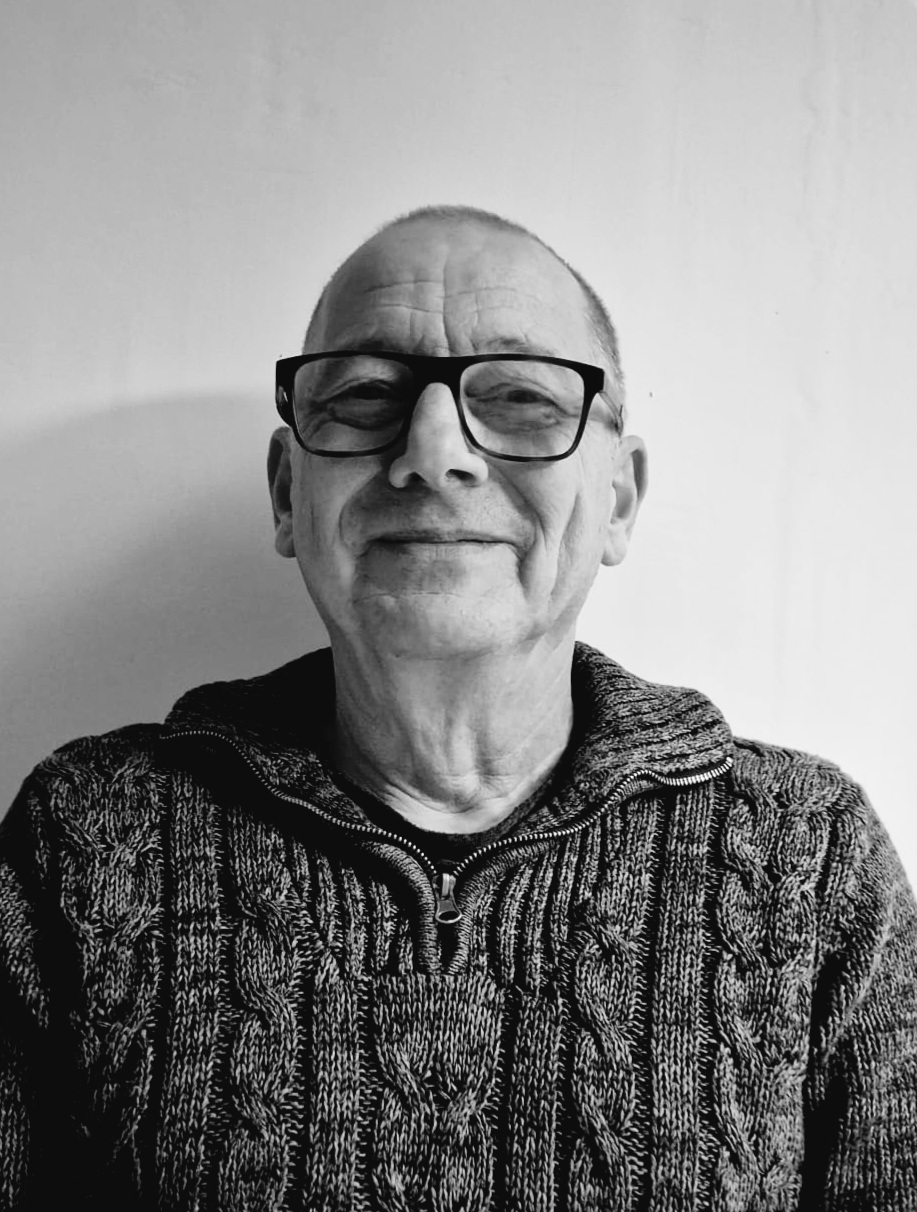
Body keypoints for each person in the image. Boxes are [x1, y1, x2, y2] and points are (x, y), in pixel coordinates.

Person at [1, 205, 915, 1212]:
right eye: (364, 394)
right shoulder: (85, 839)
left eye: (521, 398)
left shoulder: (808, 856)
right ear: (285, 494)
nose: (433, 452)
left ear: (617, 501)